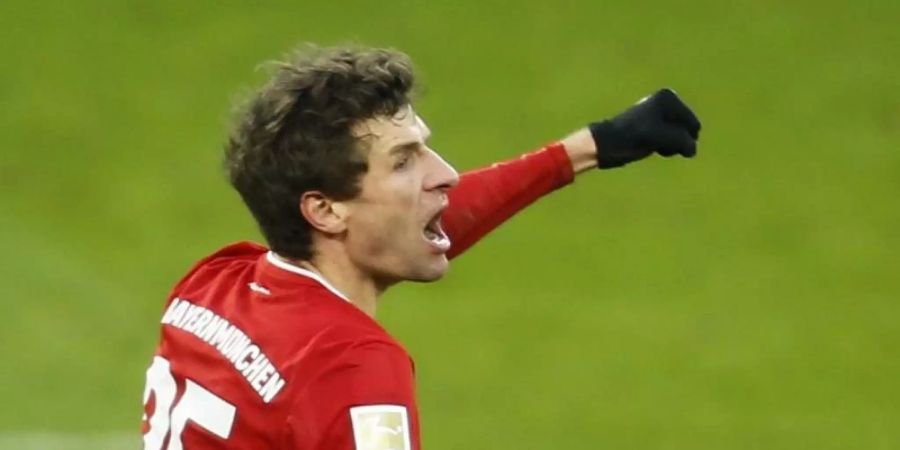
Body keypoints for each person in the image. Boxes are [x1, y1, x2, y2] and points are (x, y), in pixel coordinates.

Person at [140, 45, 701, 450]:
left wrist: (588, 148)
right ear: (324, 210)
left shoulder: (214, 286)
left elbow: (406, 224)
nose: (447, 175)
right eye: (404, 161)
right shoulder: (355, 368)